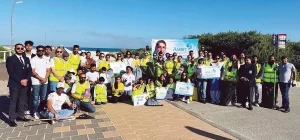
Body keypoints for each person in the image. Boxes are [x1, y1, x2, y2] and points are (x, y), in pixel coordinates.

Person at [6, 43, 32, 127]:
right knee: (13, 102)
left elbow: (29, 71)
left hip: (24, 84)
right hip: (15, 84)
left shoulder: (26, 58)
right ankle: (11, 119)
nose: (20, 50)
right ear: (15, 49)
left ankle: (20, 116)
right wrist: (20, 80)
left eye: (21, 48)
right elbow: (11, 72)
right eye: (18, 48)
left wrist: (26, 79)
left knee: (22, 100)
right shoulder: (11, 59)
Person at [30, 45, 51, 119]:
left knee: (43, 98)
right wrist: (41, 78)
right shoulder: (33, 60)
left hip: (45, 82)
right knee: (35, 98)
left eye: (42, 50)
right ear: (37, 51)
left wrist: (45, 78)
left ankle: (41, 110)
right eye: (39, 50)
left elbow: (48, 70)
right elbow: (33, 72)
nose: (41, 52)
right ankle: (35, 112)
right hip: (36, 82)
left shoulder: (46, 59)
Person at [23, 40, 36, 116]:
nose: (28, 47)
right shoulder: (22, 55)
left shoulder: (34, 56)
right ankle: (25, 109)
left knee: (33, 94)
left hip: (34, 77)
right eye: (27, 45)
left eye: (30, 45)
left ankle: (32, 107)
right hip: (25, 77)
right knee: (25, 93)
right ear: (25, 46)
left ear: (32, 47)